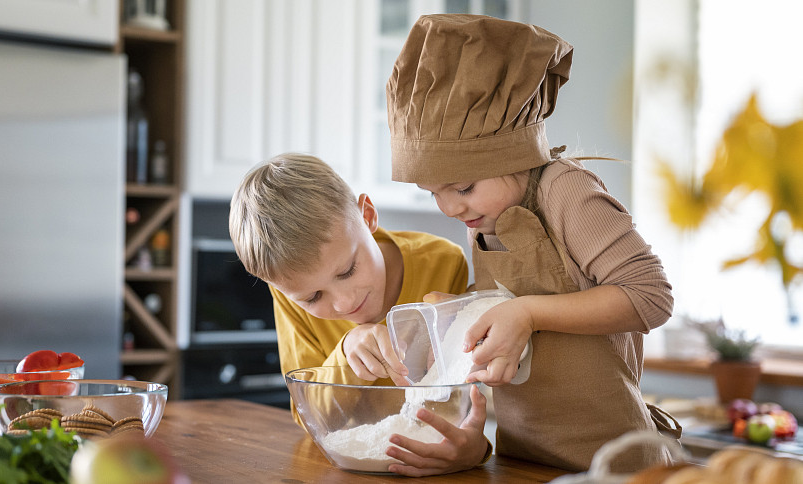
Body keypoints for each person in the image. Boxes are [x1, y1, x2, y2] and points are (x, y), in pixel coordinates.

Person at [384, 14, 680, 476]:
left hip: (613, 465)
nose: (450, 208)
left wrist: (528, 314)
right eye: (433, 192)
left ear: (513, 155)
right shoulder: (486, 213)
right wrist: (460, 318)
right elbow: (513, 307)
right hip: (522, 458)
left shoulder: (566, 191)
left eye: (462, 186)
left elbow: (652, 297)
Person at [227, 152, 471, 420]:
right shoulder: (287, 295)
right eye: (313, 297)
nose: (344, 303)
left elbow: (457, 395)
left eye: (347, 271)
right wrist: (345, 356)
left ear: (367, 215)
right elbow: (309, 414)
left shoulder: (444, 263)